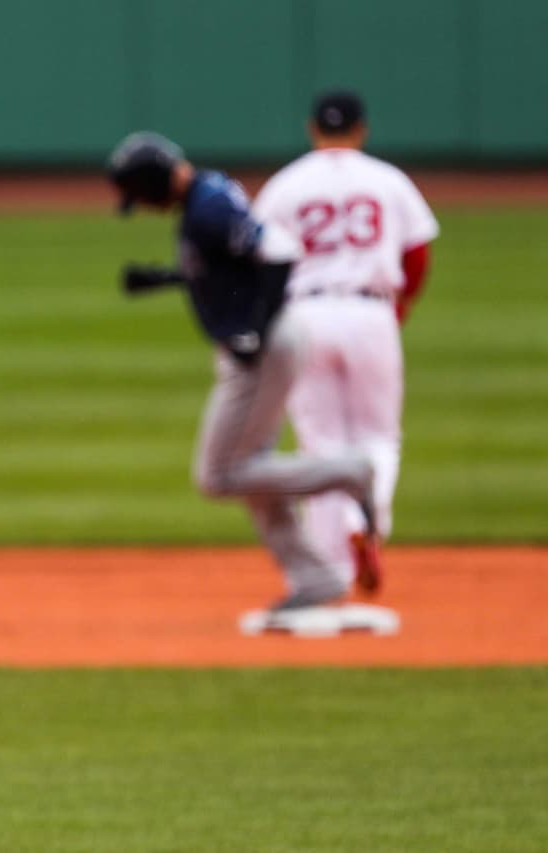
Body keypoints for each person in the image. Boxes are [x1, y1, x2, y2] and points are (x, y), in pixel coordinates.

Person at [106, 131, 385, 636]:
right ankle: (315, 578)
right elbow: (225, 266)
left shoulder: (208, 205)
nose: (143, 207)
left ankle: (349, 473)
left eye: (141, 196)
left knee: (220, 474)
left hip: (266, 348)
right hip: (267, 344)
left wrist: (255, 328)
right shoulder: (206, 197)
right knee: (255, 472)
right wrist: (168, 279)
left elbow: (279, 252)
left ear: (154, 182)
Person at [252, 90, 439, 596]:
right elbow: (417, 253)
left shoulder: (286, 184)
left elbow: (260, 259)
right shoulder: (387, 179)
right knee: (379, 437)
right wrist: (398, 309)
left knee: (321, 444)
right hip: (370, 310)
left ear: (314, 128)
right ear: (361, 129)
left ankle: (330, 565)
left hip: (304, 313)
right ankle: (367, 524)